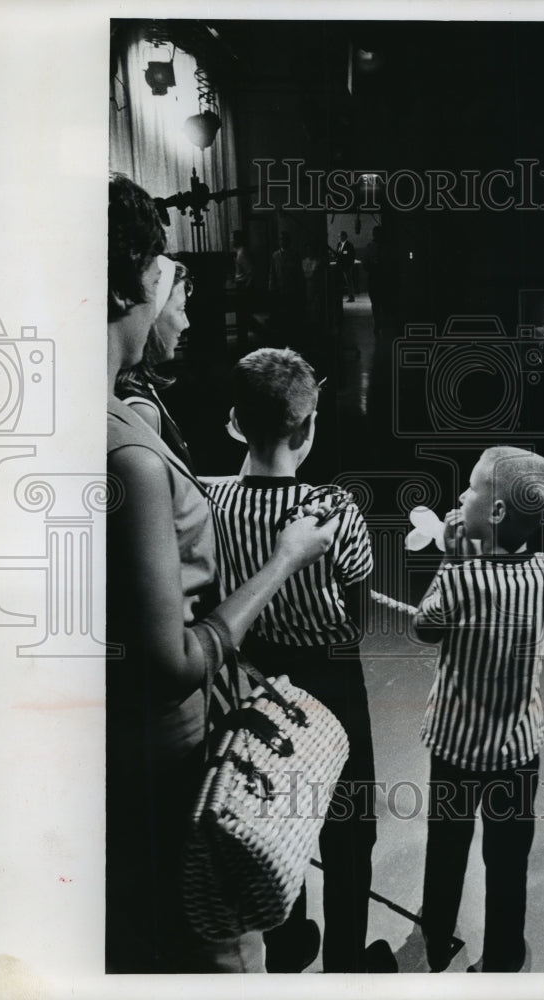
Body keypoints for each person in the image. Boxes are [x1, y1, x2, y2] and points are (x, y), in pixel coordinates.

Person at [106, 174, 339, 974]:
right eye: (166, 273)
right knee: (218, 954)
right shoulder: (129, 454)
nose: (179, 298)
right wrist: (284, 558)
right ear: (126, 284)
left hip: (114, 761)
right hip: (170, 765)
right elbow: (171, 662)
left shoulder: (100, 416)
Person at [207, 347, 396, 974]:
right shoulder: (334, 511)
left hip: (255, 673)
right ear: (307, 428)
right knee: (348, 827)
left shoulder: (212, 501)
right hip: (331, 677)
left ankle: (288, 944)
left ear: (236, 422)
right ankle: (346, 962)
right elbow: (357, 617)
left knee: (275, 811)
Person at [413, 447, 544, 973]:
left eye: (472, 488)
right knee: (508, 860)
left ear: (496, 511)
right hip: (517, 750)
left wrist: (452, 556)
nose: (461, 496)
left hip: (457, 745)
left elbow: (425, 625)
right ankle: (503, 956)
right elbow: (507, 579)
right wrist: (476, 550)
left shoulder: (461, 577)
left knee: (446, 845)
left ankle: (436, 933)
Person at [115, 255, 195, 471]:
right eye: (180, 309)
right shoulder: (140, 409)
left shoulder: (140, 387)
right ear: (152, 315)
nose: (186, 323)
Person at [335, 229, 356, 301]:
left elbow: (352, 256)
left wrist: (350, 265)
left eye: (340, 236)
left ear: (344, 236)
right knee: (341, 281)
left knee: (349, 281)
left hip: (347, 266)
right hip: (340, 266)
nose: (339, 237)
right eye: (339, 236)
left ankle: (351, 296)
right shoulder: (339, 244)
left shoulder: (349, 245)